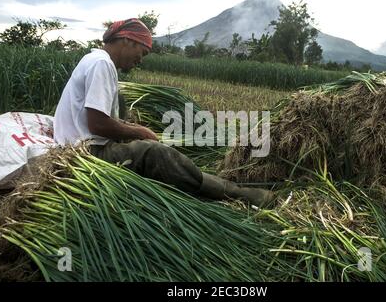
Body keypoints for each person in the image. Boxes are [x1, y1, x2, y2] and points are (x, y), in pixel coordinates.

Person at [53, 18, 273, 207]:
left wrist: (129, 129)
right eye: (143, 52)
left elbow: (99, 119)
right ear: (128, 40)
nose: (140, 60)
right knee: (155, 153)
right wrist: (137, 131)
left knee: (123, 106)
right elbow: (97, 124)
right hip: (86, 151)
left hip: (79, 142)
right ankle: (237, 193)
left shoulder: (94, 59)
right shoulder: (102, 64)